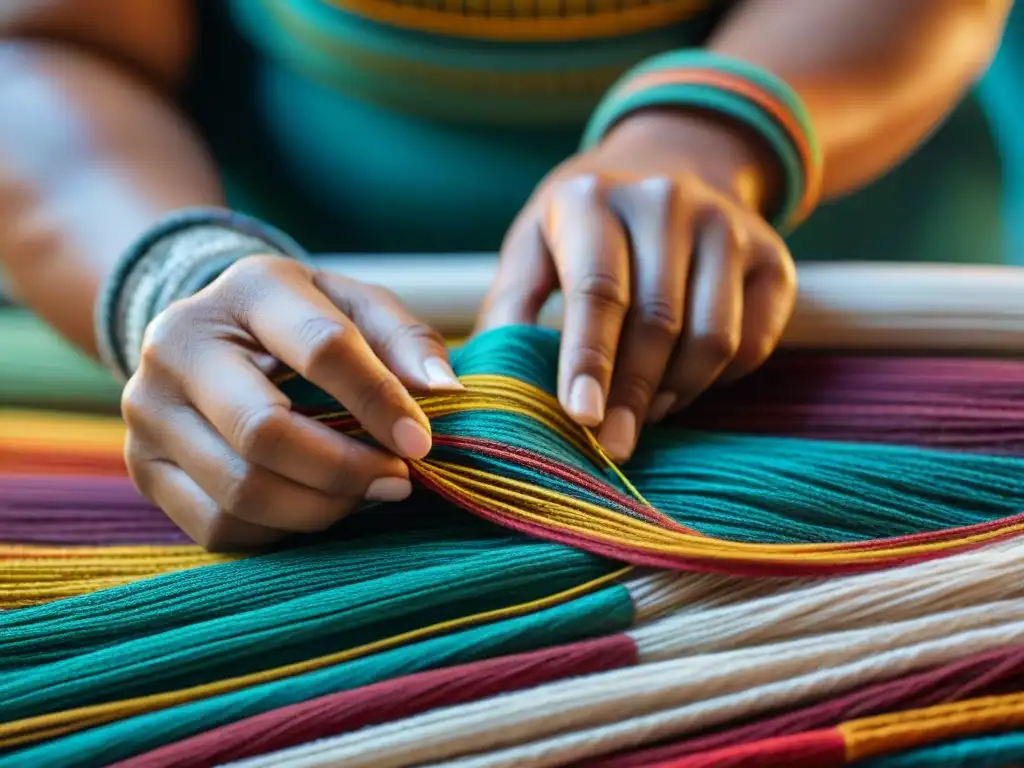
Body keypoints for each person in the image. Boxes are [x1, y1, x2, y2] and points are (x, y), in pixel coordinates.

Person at [0, 0, 1012, 549]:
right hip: (276, 302)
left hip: (835, 299)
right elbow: (43, 44)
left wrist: (707, 135)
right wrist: (182, 271)